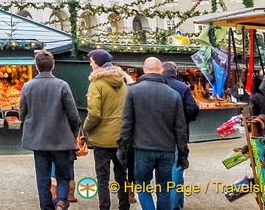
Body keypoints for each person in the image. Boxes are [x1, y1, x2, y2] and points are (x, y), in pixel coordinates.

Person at [118, 58, 188, 210]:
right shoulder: (173, 94)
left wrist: (123, 149)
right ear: (161, 70)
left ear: (144, 70)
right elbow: (180, 128)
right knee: (164, 188)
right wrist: (183, 153)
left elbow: (127, 123)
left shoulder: (133, 91)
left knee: (143, 186)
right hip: (167, 149)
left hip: (142, 148)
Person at [20, 50, 80, 210]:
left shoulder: (27, 86)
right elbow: (73, 115)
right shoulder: (62, 85)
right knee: (63, 175)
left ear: (36, 66)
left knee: (43, 177)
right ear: (53, 65)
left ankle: (46, 206)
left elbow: (22, 114)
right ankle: (61, 201)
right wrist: (73, 133)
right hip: (61, 138)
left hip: (38, 140)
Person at [83, 49, 130, 210]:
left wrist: (85, 129)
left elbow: (94, 114)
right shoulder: (123, 81)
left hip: (102, 138)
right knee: (121, 175)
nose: (90, 64)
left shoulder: (96, 83)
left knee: (103, 178)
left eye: (91, 61)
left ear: (97, 63)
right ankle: (124, 206)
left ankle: (105, 207)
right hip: (121, 135)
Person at [161, 62, 200, 209]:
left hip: (160, 134)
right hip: (180, 133)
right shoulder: (182, 87)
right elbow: (193, 108)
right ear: (175, 72)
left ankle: (174, 203)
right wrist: (184, 120)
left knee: (166, 169)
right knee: (177, 168)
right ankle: (174, 204)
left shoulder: (157, 86)